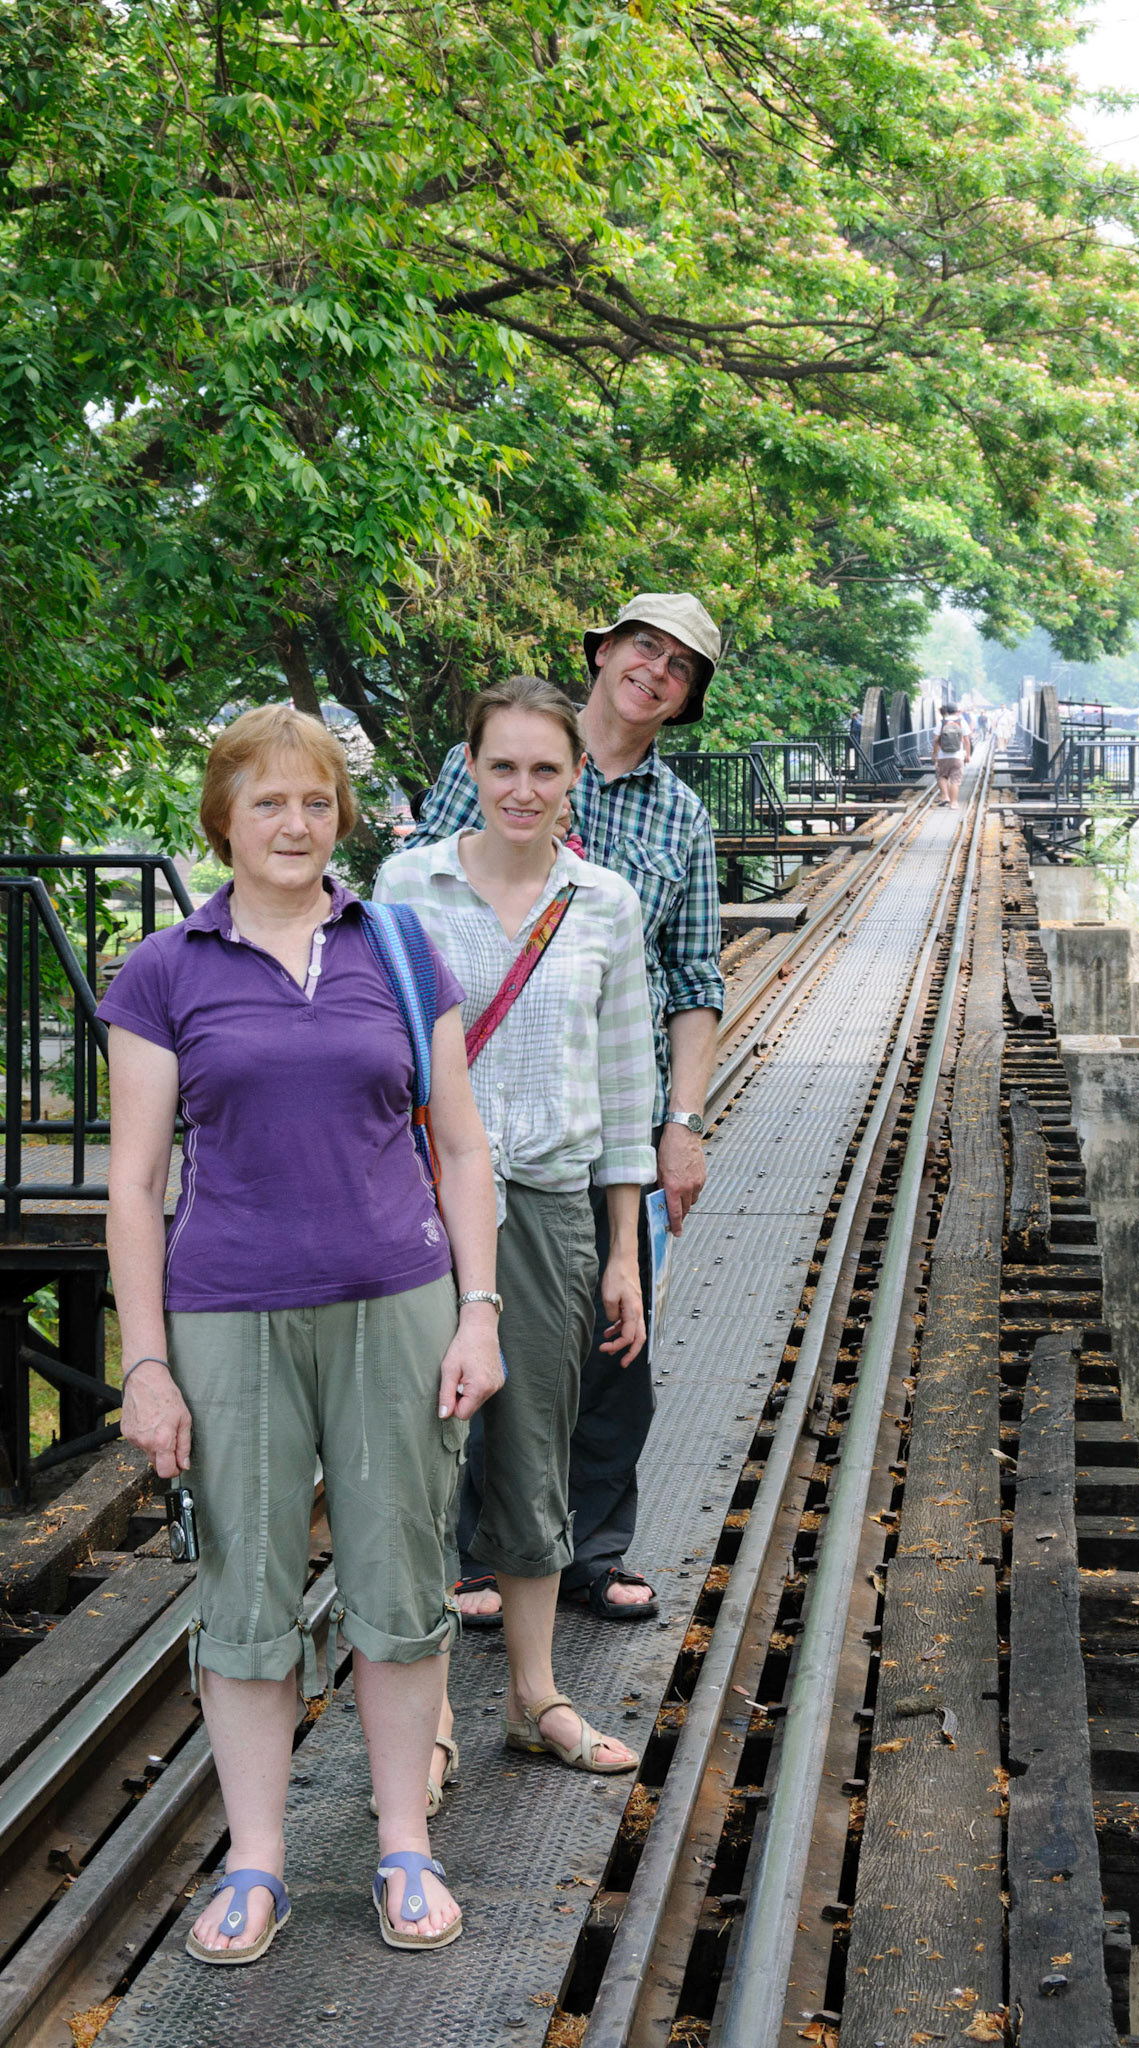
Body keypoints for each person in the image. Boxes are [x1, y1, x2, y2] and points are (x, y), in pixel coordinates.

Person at [102, 706, 502, 1962]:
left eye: (316, 801)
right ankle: (257, 1860)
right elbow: (133, 1185)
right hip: (228, 1315)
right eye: (268, 800)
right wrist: (146, 1362)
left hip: (397, 1302)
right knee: (246, 1590)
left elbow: (462, 1148)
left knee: (399, 1578)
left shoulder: (399, 946)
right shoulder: (165, 970)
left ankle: (403, 1843)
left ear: (342, 817)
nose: (294, 823)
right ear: (223, 817)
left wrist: (479, 1310)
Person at [408, 593, 725, 1627]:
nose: (654, 670)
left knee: (610, 1341)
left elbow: (692, 975)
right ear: (603, 651)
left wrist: (682, 1121)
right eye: (643, 645)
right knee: (466, 1317)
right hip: (475, 1107)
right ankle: (474, 1550)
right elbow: (423, 918)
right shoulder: (501, 755)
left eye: (679, 665)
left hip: (607, 1106)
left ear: (685, 698)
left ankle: (589, 1550)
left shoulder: (679, 815)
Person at [377, 674, 656, 1773]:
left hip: (547, 1201)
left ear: (577, 775)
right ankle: (431, 1711)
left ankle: (534, 1695)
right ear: (471, 768)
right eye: (503, 766)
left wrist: (624, 1251)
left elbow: (626, 1086)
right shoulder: (408, 886)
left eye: (546, 768)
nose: (523, 789)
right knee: (423, 1448)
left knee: (537, 1441)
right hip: (419, 1200)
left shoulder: (605, 903)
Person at [933, 701, 972, 809]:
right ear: (956, 711)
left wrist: (935, 754)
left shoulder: (941, 723)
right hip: (957, 756)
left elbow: (935, 740)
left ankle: (945, 797)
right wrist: (968, 755)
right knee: (955, 779)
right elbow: (967, 740)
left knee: (942, 776)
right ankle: (953, 803)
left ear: (946, 711)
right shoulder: (961, 722)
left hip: (943, 755)